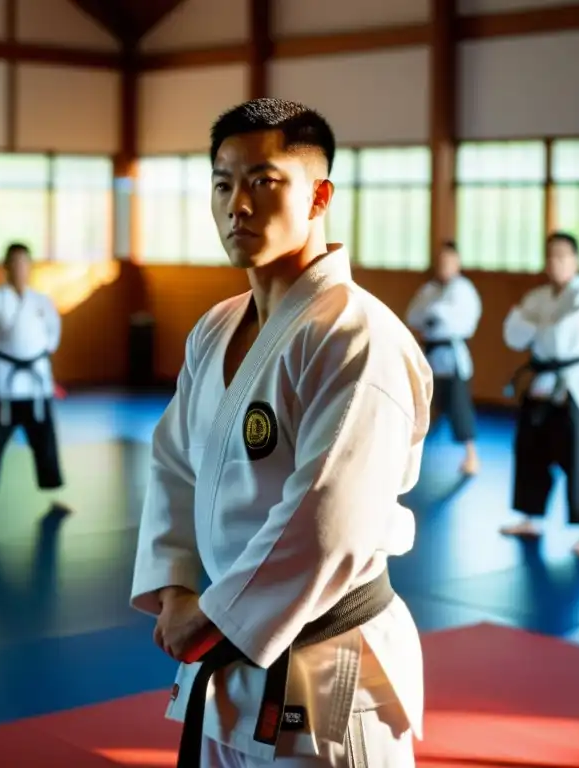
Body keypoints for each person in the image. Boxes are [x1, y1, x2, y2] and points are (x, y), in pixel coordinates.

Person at [130, 98, 432, 768]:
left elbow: (329, 519)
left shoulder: (357, 336)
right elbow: (174, 464)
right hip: (228, 664)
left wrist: (208, 616)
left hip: (326, 678)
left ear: (319, 195)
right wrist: (177, 587)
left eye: (263, 182)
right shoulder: (216, 328)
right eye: (223, 183)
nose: (238, 204)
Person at [500, 231, 579, 558]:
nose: (555, 262)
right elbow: (513, 335)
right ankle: (530, 518)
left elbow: (562, 341)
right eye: (550, 256)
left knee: (578, 457)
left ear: (575, 260)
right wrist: (542, 326)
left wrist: (537, 327)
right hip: (541, 383)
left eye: (562, 256)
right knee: (530, 450)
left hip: (572, 386)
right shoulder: (539, 296)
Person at [0, 243, 64, 534]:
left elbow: (53, 333)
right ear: (5, 267)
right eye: (14, 263)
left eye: (24, 263)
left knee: (45, 444)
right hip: (4, 387)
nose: (20, 268)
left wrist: (45, 350)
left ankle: (55, 495)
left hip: (36, 384)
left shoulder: (42, 301)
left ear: (30, 267)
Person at [405, 241, 483, 475]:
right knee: (421, 404)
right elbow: (413, 315)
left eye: (449, 261)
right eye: (441, 261)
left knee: (459, 408)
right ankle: (410, 457)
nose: (444, 265)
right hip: (430, 355)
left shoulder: (464, 290)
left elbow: (459, 321)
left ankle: (471, 456)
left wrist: (435, 312)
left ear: (457, 263)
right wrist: (434, 312)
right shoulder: (429, 289)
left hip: (452, 356)